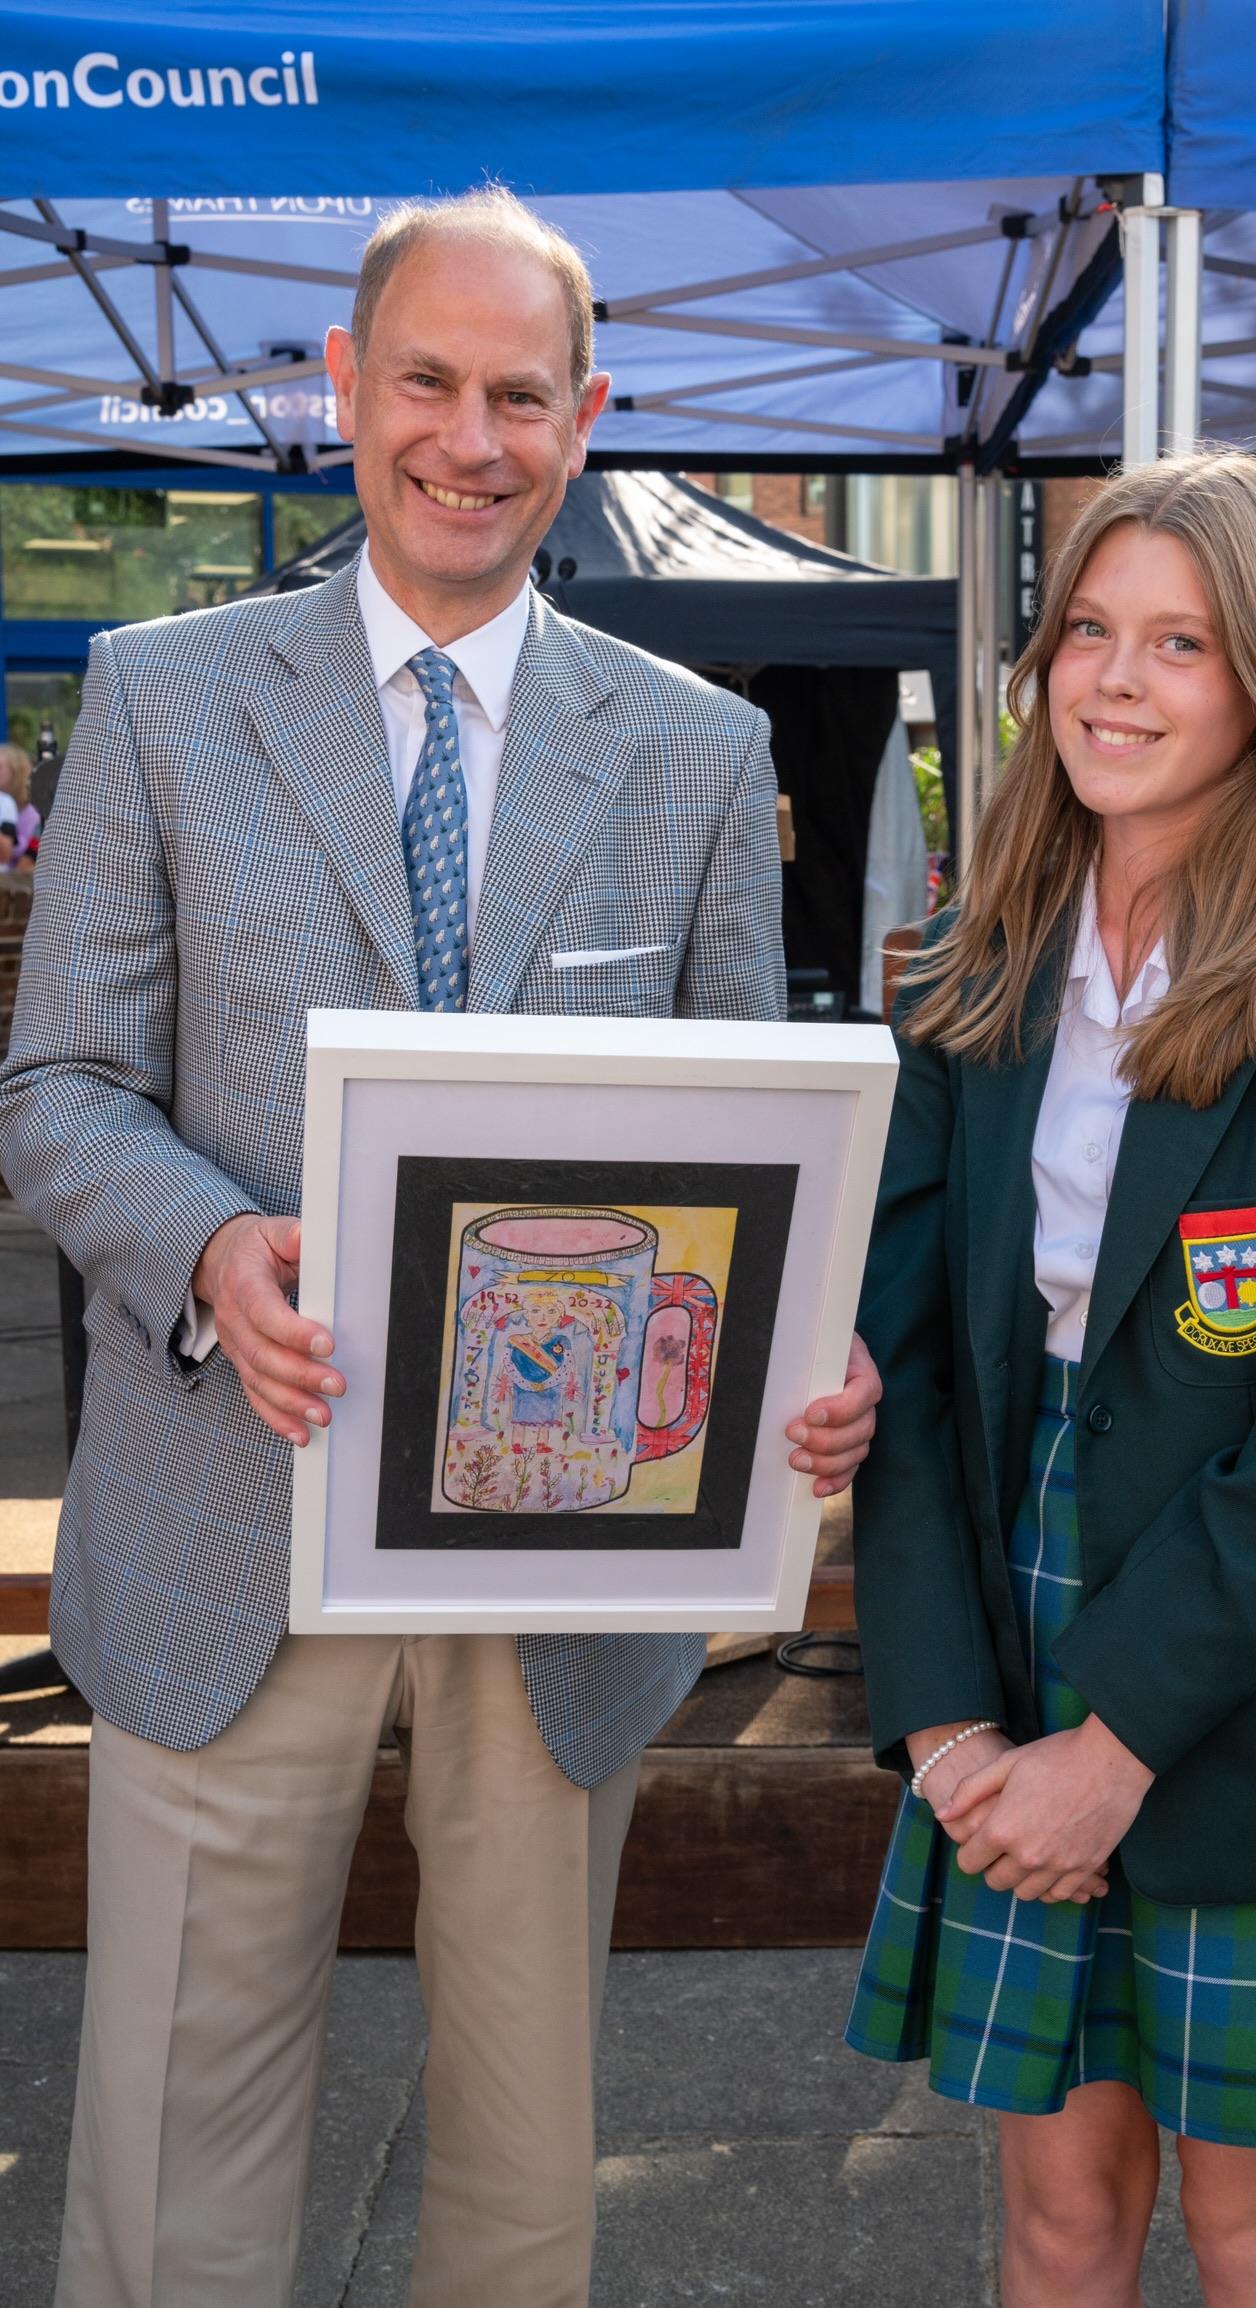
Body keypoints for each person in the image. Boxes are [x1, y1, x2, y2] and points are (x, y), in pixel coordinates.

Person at [0, 188, 878, 2308]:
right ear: (344, 383)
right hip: (225, 1514)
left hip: (560, 1548)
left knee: (520, 2160)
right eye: (429, 381)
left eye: (519, 395)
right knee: (172, 2160)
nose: (469, 437)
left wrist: (790, 1364)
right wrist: (213, 1248)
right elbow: (56, 1093)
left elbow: (744, 1149)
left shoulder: (694, 746)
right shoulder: (163, 695)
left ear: (583, 420)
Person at [843, 450, 1256, 2308]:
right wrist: (950, 1722)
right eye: (1087, 631)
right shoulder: (972, 975)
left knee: (1251, 2228)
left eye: (1181, 645)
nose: (1113, 682)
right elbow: (904, 1367)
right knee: (1057, 2219)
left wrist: (1112, 1743)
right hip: (1013, 1593)